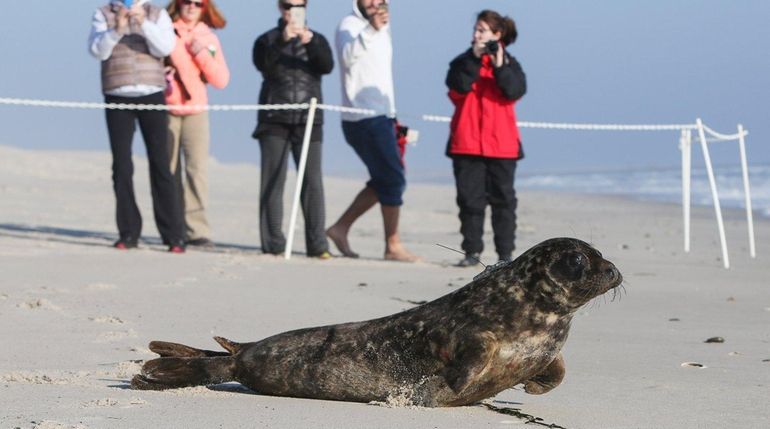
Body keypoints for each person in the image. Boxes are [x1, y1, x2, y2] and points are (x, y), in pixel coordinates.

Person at [88, 0, 186, 253]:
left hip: (152, 94)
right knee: (121, 165)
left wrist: (144, 24)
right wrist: (117, 29)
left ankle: (174, 235)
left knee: (161, 164)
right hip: (117, 94)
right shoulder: (102, 14)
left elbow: (166, 47)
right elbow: (97, 51)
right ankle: (129, 232)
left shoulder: (158, 14)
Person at [328, 0, 420, 262]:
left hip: (384, 115)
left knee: (386, 178)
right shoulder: (349, 25)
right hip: (362, 118)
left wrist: (392, 115)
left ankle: (340, 227)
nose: (374, 3)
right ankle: (393, 245)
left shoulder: (384, 27)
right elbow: (347, 57)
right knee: (392, 178)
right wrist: (370, 29)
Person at [252, 0, 334, 259]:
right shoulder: (266, 39)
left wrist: (308, 42)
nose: (291, 10)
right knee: (274, 181)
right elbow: (263, 65)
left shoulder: (317, 39)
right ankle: (273, 243)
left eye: (297, 5)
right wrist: (282, 41)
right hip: (274, 117)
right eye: (287, 5)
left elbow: (326, 66)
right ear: (280, 8)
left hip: (309, 119)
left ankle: (317, 245)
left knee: (312, 182)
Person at [445, 10, 527, 267]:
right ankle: (471, 252)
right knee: (469, 200)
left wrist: (499, 63)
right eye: (476, 30)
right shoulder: (462, 62)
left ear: (497, 34)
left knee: (504, 202)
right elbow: (457, 86)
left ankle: (505, 255)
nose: (476, 35)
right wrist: (475, 58)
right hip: (466, 142)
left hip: (502, 145)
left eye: (482, 30)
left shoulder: (511, 64)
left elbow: (514, 90)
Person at [164, 0, 229, 248]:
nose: (191, 7)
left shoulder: (208, 37)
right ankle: (172, 227)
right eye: (186, 2)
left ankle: (196, 229)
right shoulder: (166, 31)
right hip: (166, 109)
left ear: (205, 8)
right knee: (168, 170)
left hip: (196, 111)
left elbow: (221, 80)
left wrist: (201, 53)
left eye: (197, 3)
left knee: (196, 170)